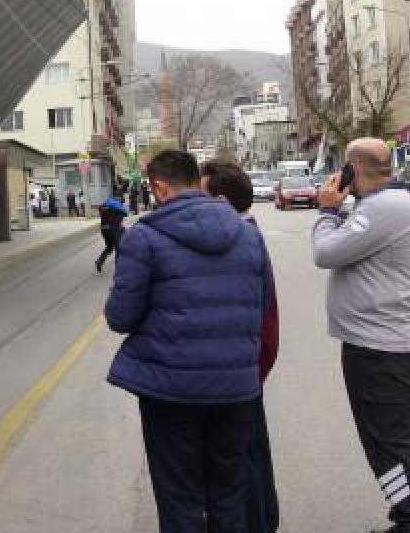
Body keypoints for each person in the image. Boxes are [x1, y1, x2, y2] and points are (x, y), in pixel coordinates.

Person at [105, 150, 272, 533]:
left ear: (160, 188)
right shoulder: (248, 233)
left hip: (171, 392)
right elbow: (261, 307)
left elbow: (121, 317)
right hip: (236, 388)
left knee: (179, 497)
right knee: (229, 493)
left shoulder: (143, 237)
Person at [312, 138, 410, 533]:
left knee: (388, 444)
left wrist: (327, 210)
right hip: (390, 342)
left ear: (352, 169)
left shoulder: (383, 208)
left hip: (379, 347)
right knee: (404, 438)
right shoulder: (389, 202)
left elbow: (325, 252)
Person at [202, 161, 280, 533]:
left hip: (242, 370)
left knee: (242, 459)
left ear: (219, 200)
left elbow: (265, 317)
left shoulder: (240, 240)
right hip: (246, 369)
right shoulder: (248, 235)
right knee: (250, 453)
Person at [95, 186, 128, 273]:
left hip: (104, 229)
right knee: (118, 248)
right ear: (119, 197)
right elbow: (120, 219)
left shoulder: (104, 205)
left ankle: (99, 261)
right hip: (113, 229)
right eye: (121, 198)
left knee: (109, 247)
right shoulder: (118, 208)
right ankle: (119, 268)